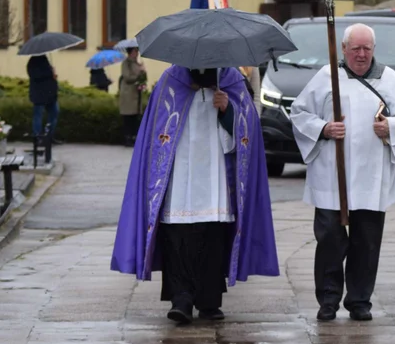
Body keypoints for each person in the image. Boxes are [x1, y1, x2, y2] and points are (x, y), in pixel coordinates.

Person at [111, 65, 279, 324]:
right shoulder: (171, 79)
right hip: (180, 174)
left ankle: (209, 302)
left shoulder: (231, 79)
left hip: (215, 175)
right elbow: (156, 130)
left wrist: (228, 110)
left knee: (212, 237)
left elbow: (248, 132)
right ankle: (181, 299)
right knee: (177, 237)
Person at [289, 23, 395, 322]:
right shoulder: (326, 78)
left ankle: (360, 300)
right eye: (355, 48)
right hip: (330, 177)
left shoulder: (389, 79)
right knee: (330, 240)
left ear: (374, 50)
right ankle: (328, 300)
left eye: (366, 49)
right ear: (344, 49)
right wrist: (323, 128)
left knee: (366, 241)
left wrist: (391, 127)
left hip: (372, 177)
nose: (361, 55)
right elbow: (299, 113)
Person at [27, 55, 59, 143]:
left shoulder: (45, 59)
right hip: (39, 95)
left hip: (50, 94)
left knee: (54, 113)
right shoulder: (33, 62)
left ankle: (49, 135)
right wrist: (50, 73)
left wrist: (52, 74)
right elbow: (36, 75)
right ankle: (37, 138)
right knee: (38, 116)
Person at [118, 47, 146, 147]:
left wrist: (143, 71)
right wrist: (139, 74)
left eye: (137, 51)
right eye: (135, 51)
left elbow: (142, 77)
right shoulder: (126, 63)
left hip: (136, 93)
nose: (137, 53)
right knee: (128, 117)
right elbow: (127, 77)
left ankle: (134, 137)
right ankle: (127, 138)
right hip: (128, 94)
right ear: (130, 52)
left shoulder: (137, 63)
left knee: (135, 117)